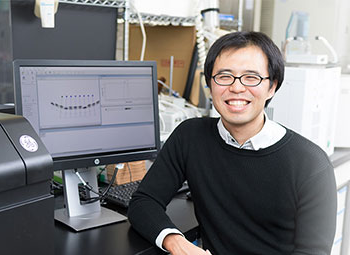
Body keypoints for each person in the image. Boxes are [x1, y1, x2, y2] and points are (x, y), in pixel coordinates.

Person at [128, 31, 337, 255]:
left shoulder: (311, 164)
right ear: (209, 83)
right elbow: (143, 202)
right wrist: (177, 243)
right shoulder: (190, 137)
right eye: (225, 76)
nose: (237, 88)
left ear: (272, 86)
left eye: (251, 77)